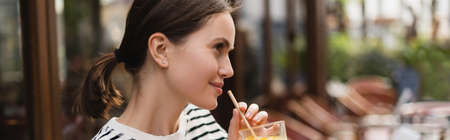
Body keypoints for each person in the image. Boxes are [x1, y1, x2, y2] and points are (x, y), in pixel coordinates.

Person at [75, 0, 269, 139]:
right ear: (161, 50)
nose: (229, 70)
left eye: (228, 52)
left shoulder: (201, 121)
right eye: (218, 48)